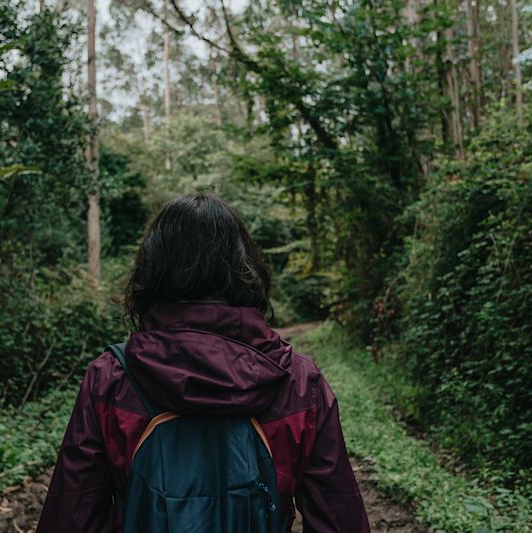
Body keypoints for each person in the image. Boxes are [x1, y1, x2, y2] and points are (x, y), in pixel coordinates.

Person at [36, 193, 369, 532]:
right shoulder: (299, 382)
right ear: (246, 268)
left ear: (153, 269)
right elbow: (338, 520)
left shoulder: (110, 379)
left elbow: (72, 518)